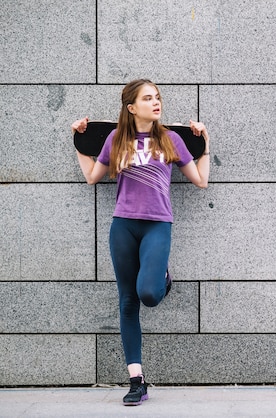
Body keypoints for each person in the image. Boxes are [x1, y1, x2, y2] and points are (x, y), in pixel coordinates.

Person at [71, 79, 210, 406]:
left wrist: (206, 140)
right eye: (148, 98)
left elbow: (201, 181)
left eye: (157, 97)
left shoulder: (172, 139)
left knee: (149, 294)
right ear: (132, 107)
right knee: (128, 301)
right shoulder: (116, 139)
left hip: (157, 226)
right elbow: (93, 176)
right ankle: (137, 379)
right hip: (123, 227)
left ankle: (162, 277)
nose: (156, 102)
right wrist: (79, 140)